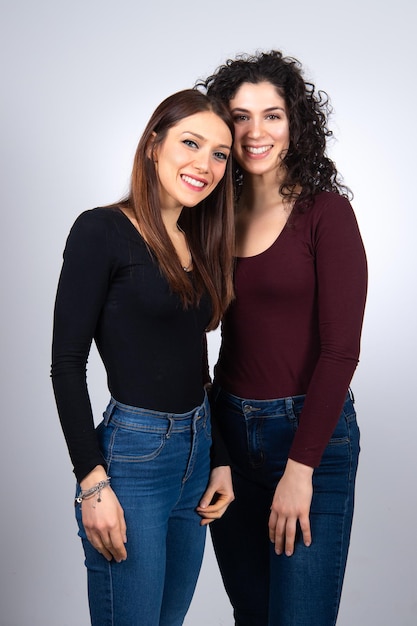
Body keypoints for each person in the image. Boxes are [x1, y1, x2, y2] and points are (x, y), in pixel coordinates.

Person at [51, 88, 236, 626]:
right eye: (191, 143)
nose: (205, 164)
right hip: (135, 460)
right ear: (154, 145)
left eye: (220, 154)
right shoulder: (100, 230)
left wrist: (218, 455)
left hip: (197, 452)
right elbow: (66, 364)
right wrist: (92, 482)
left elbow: (194, 365)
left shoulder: (195, 241)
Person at [195, 50, 368, 625]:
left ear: (295, 124)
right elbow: (187, 334)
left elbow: (341, 352)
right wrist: (217, 453)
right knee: (253, 615)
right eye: (240, 116)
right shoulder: (211, 218)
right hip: (228, 440)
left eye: (272, 115)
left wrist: (301, 469)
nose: (255, 131)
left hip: (309, 437)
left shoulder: (327, 214)